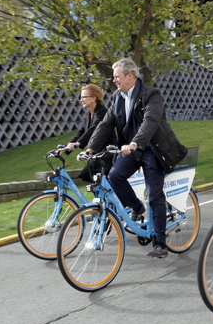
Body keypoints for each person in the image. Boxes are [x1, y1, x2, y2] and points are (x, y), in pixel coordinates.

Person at [84, 57, 187, 258]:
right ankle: (137, 207)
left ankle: (160, 242)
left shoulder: (151, 94)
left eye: (117, 76)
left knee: (155, 193)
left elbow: (150, 121)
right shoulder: (118, 97)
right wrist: (90, 149)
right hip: (130, 149)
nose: (114, 80)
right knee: (115, 176)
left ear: (130, 76)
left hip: (151, 148)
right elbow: (105, 124)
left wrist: (135, 143)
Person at [62, 84, 116, 182]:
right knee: (86, 175)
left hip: (108, 152)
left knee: (88, 174)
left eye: (84, 97)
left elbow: (93, 129)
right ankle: (104, 196)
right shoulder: (89, 114)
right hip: (97, 152)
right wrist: (65, 148)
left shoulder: (103, 112)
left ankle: (110, 195)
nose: (81, 100)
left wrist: (78, 143)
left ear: (93, 98)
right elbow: (82, 132)